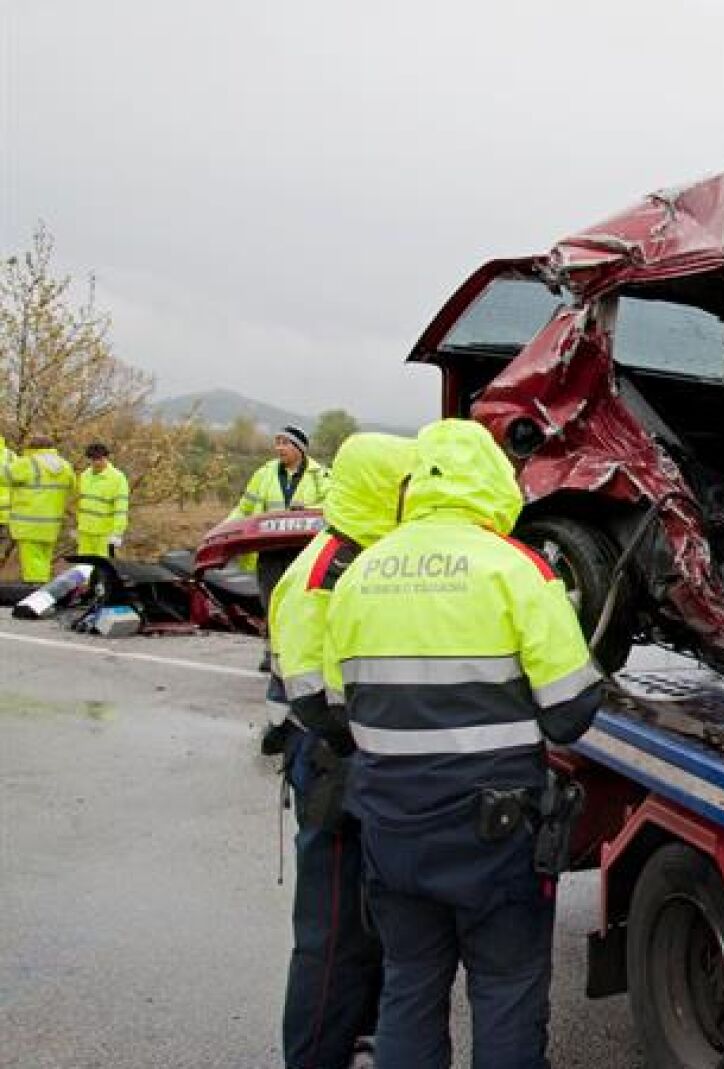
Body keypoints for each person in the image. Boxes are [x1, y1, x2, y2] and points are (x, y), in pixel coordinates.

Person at [323, 419, 603, 1069]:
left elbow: (342, 708)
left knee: (411, 986)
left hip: (390, 824)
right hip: (493, 832)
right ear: (492, 481)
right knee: (505, 989)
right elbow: (569, 714)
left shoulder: (361, 574)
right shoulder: (518, 569)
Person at [269, 432, 414, 1069]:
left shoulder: (366, 558)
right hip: (334, 766)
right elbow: (312, 700)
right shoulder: (325, 572)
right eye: (406, 488)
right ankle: (314, 1056)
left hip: (360, 763)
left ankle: (359, 1037)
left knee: (371, 921)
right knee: (331, 935)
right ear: (380, 491)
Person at [228, 424, 331, 579]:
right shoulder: (263, 474)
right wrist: (225, 531)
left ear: (300, 448)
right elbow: (243, 509)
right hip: (269, 554)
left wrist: (308, 510)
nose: (279, 448)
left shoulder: (321, 476)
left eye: (285, 443)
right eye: (278, 443)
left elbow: (333, 506)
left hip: (306, 554)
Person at [4, 435, 75, 583]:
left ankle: (35, 592)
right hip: (51, 524)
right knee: (43, 560)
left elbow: (4, 475)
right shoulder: (65, 466)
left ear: (32, 449)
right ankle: (44, 591)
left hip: (28, 523)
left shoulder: (28, 463)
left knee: (32, 564)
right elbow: (73, 487)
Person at [75, 443, 130, 559]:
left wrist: (117, 532)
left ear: (106, 458)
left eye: (100, 459)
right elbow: (81, 503)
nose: (97, 462)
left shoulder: (118, 478)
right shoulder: (84, 476)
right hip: (85, 532)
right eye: (93, 459)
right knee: (84, 567)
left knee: (103, 569)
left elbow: (121, 508)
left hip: (105, 534)